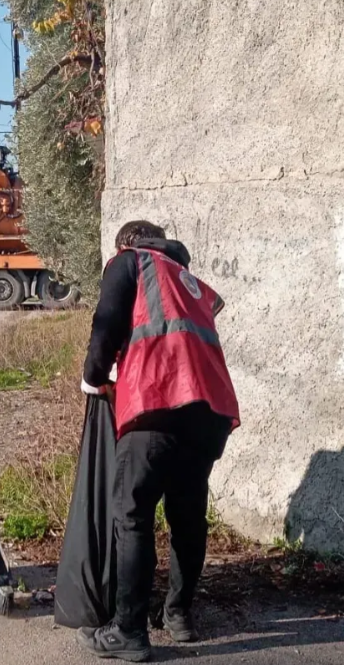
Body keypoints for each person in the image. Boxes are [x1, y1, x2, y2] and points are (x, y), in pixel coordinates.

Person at [76, 220, 240, 662]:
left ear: (126, 242)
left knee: (133, 517)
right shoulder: (192, 283)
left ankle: (128, 632)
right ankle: (179, 616)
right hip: (211, 413)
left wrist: (93, 379)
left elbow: (106, 323)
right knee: (188, 516)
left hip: (158, 401)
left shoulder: (129, 261)